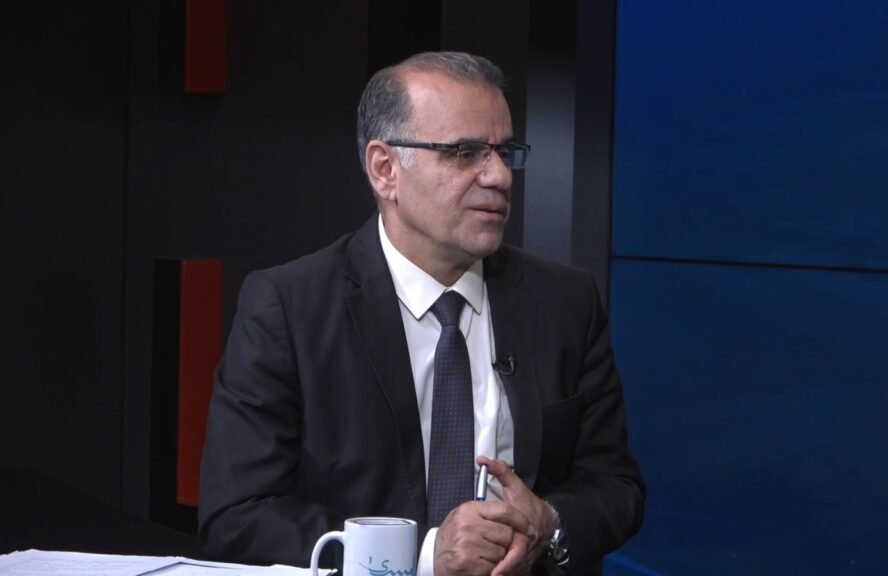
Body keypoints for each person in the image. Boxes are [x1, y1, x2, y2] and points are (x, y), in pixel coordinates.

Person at [198, 51, 645, 576]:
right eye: (465, 152)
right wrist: (424, 556)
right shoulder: (288, 308)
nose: (499, 176)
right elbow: (237, 516)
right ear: (385, 169)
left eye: (505, 152)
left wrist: (549, 521)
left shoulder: (567, 301)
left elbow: (615, 486)